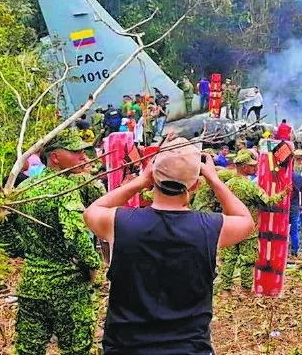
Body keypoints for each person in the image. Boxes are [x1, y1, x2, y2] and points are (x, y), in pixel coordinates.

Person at [83, 137, 254, 353]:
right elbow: (245, 220)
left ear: (153, 176)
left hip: (126, 347)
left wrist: (140, 181)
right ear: (195, 184)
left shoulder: (120, 223)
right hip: (188, 348)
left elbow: (91, 211)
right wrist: (215, 179)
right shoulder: (209, 228)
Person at [0, 130, 106, 354]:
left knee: (29, 349)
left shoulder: (24, 188)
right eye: (75, 152)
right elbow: (76, 236)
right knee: (76, 349)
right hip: (68, 288)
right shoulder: (65, 189)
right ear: (55, 157)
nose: (82, 157)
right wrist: (93, 266)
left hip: (32, 285)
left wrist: (26, 252)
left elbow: (3, 230)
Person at [217, 149, 265, 295]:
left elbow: (219, 202)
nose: (255, 169)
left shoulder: (227, 184)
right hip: (248, 228)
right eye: (252, 166)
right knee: (247, 260)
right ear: (244, 167)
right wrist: (283, 194)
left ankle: (225, 290)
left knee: (228, 259)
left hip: (229, 225)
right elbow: (267, 201)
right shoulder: (250, 186)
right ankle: (245, 290)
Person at [290, 168, 302, 257]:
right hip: (294, 206)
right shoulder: (298, 177)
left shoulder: (278, 175)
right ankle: (295, 251)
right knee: (294, 230)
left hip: (280, 206)